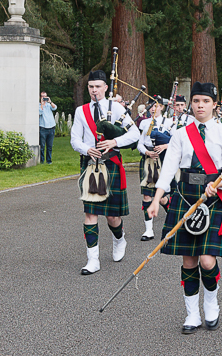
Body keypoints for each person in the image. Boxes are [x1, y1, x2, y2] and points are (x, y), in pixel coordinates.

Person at [148, 82, 222, 333]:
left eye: (205, 101)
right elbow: (168, 169)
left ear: (214, 105)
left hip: (213, 198)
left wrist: (218, 184)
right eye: (196, 101)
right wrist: (156, 199)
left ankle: (211, 302)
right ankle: (191, 314)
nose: (200, 105)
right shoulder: (181, 134)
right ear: (192, 104)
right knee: (189, 261)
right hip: (186, 197)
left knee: (207, 261)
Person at [70, 70, 140, 275]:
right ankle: (93, 260)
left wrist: (115, 141)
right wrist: (86, 149)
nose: (94, 90)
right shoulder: (81, 111)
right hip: (91, 165)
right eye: (91, 87)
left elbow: (135, 133)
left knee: (112, 216)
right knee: (90, 213)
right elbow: (75, 139)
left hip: (110, 165)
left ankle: (119, 238)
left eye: (98, 86)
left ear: (105, 88)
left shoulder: (116, 108)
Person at [136, 98, 169, 240]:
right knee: (147, 195)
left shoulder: (168, 122)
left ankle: (173, 219)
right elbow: (140, 143)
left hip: (162, 159)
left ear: (161, 107)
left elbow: (176, 140)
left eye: (156, 106)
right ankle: (148, 230)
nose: (153, 108)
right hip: (147, 159)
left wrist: (164, 146)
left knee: (161, 197)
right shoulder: (144, 123)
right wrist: (146, 152)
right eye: (151, 106)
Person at [38, 91, 58, 164]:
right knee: (42, 146)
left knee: (49, 146)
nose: (44, 98)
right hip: (43, 128)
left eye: (45, 96)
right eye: (42, 96)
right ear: (40, 97)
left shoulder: (49, 105)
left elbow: (55, 108)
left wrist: (50, 101)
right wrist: (42, 104)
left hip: (51, 127)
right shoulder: (39, 105)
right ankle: (42, 161)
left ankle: (49, 160)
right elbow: (40, 112)